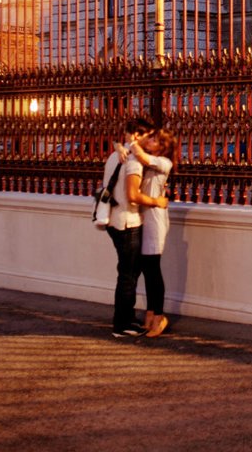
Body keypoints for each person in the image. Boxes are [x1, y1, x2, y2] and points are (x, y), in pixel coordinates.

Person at [103, 117, 154, 337]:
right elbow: (132, 196)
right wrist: (156, 201)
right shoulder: (132, 160)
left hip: (113, 220)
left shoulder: (114, 156)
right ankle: (122, 324)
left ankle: (125, 318)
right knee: (129, 274)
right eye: (147, 136)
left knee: (126, 272)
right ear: (136, 136)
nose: (149, 141)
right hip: (128, 222)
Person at [127, 129, 178, 338]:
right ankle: (149, 313)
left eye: (155, 140)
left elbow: (140, 155)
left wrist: (132, 142)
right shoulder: (148, 163)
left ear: (163, 147)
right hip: (143, 216)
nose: (150, 141)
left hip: (155, 219)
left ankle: (158, 316)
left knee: (153, 268)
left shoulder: (164, 163)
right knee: (147, 269)